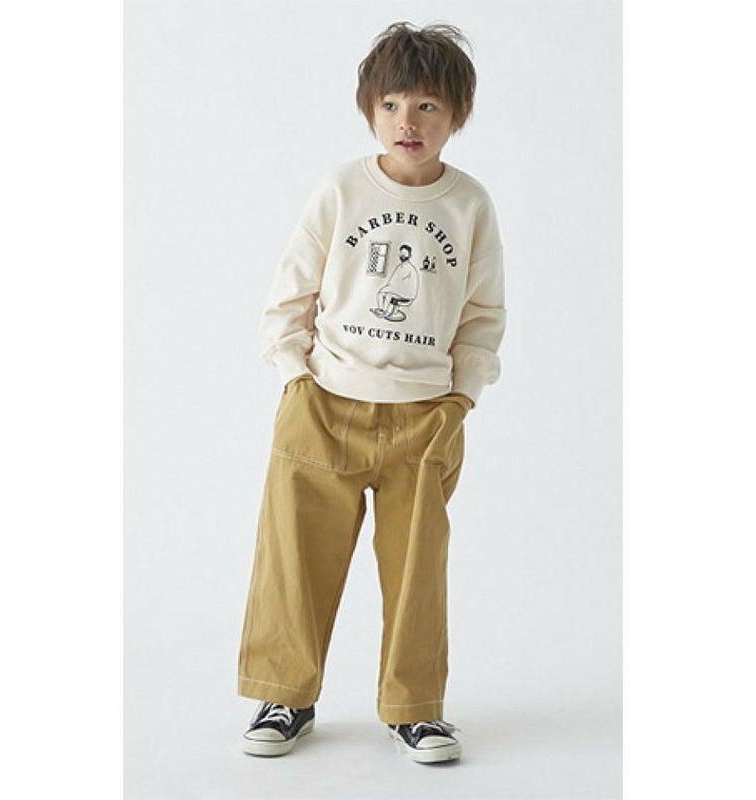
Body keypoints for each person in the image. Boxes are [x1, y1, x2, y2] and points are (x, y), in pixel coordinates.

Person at [237, 20, 506, 764]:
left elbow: (483, 315)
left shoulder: (470, 204)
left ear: (457, 114)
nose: (407, 122)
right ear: (369, 110)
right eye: (391, 105)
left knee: (418, 570)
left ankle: (415, 708)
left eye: (427, 106)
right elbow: (291, 292)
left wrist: (461, 400)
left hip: (424, 417)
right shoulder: (342, 189)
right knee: (295, 559)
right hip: (322, 404)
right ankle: (285, 695)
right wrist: (294, 378)